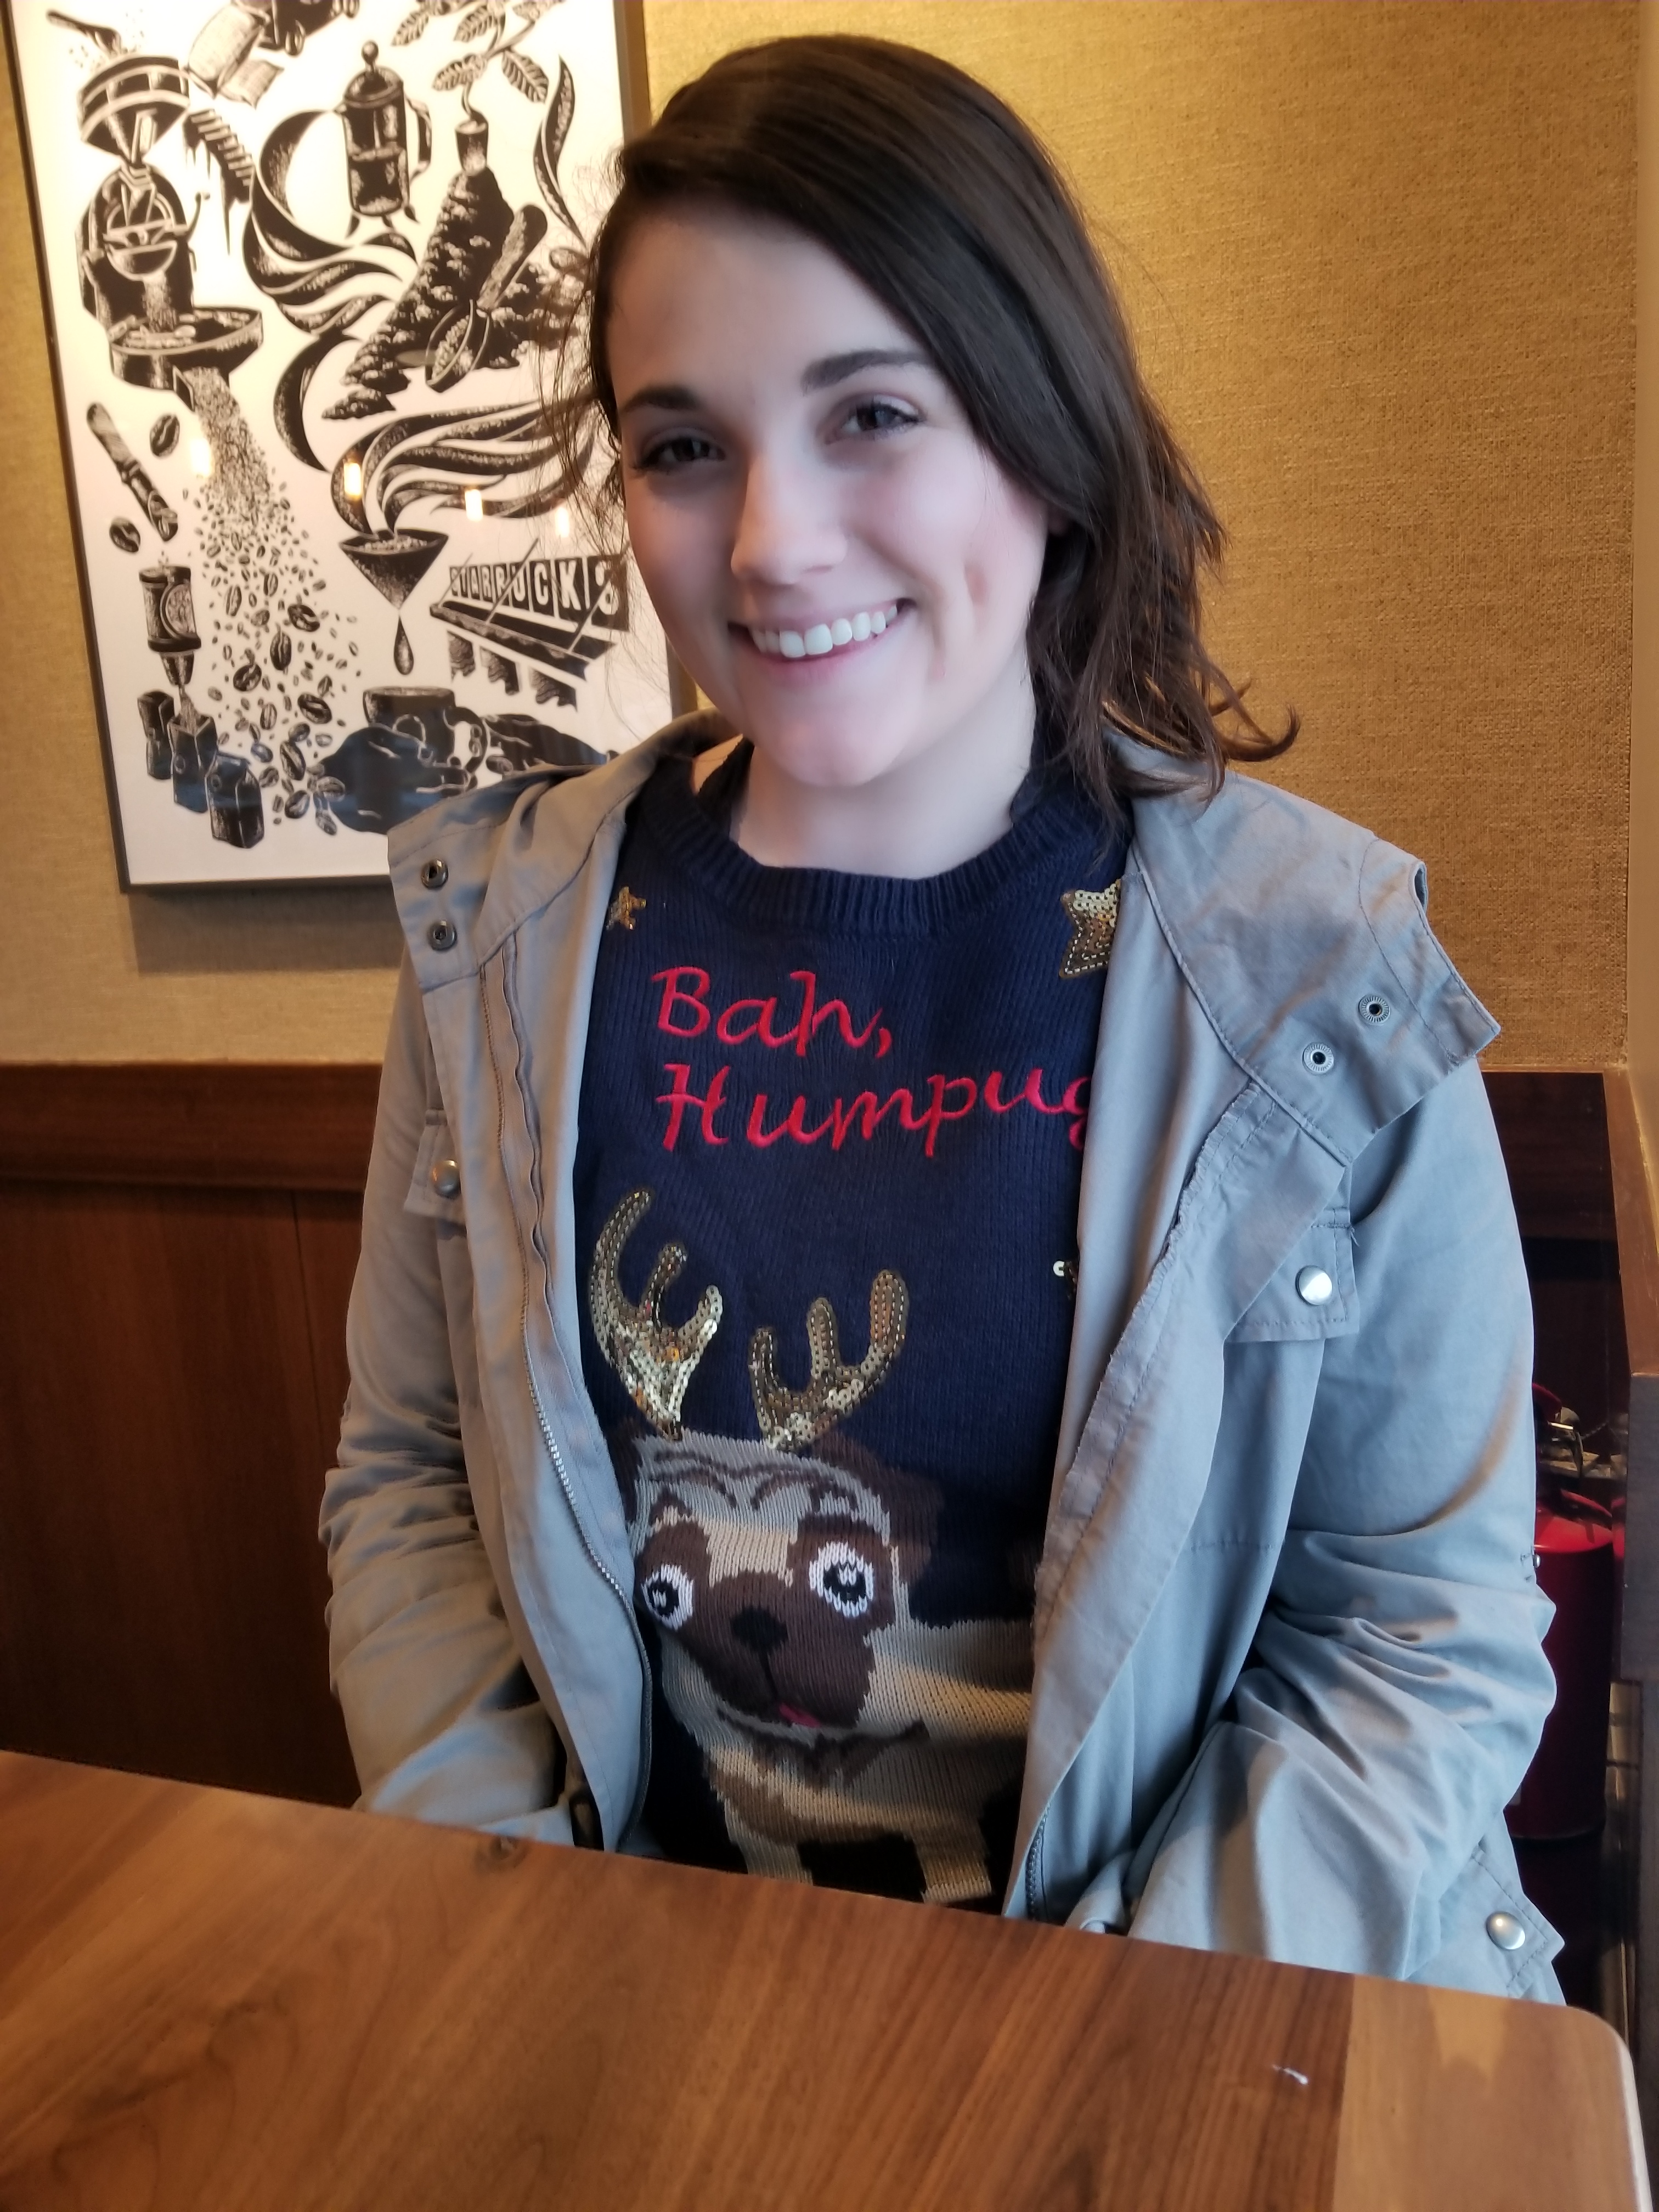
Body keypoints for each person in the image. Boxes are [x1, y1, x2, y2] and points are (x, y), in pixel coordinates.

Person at [321, 34, 1559, 1998]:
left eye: (873, 415)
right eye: (681, 446)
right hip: (650, 2013)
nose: (771, 543)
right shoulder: (499, 936)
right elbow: (407, 1488)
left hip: (1183, 2026)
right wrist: (530, 1935)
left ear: (1046, 444)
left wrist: (1084, 2047)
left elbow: (1417, 1634)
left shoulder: (1320, 977)